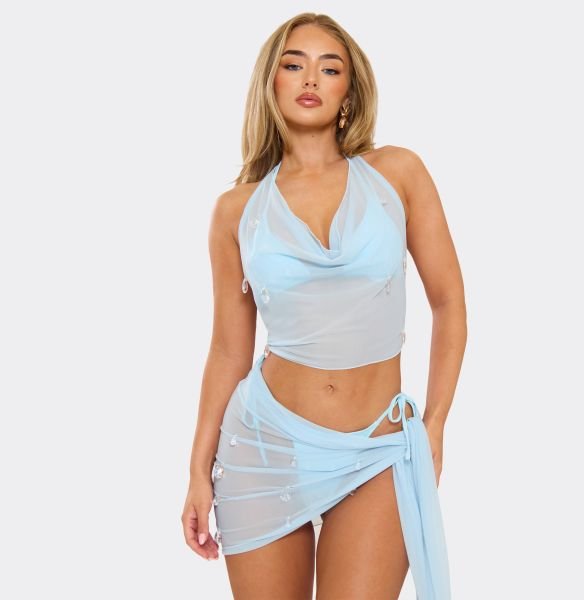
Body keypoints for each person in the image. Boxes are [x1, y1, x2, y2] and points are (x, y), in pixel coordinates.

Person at [182, 12, 466, 600]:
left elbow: (449, 302)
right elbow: (228, 350)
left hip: (378, 446)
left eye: (329, 68)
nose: (311, 78)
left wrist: (434, 423)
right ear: (272, 82)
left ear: (349, 91)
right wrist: (197, 471)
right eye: (294, 64)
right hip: (264, 448)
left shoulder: (397, 173)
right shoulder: (237, 211)